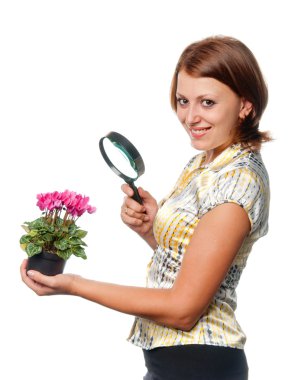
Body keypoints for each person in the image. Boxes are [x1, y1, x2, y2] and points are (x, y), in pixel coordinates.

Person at [21, 35, 271, 380]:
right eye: (183, 100)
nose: (190, 116)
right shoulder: (204, 163)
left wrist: (74, 285)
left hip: (201, 367)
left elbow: (184, 309)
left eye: (207, 102)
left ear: (245, 105)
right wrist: (152, 231)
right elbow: (198, 263)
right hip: (172, 364)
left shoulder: (238, 180)